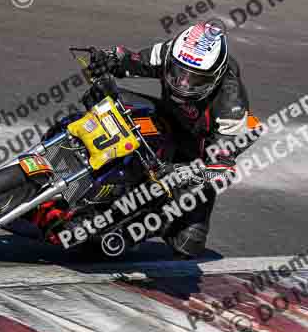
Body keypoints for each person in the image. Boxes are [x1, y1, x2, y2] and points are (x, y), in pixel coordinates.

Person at [98, 20, 253, 258]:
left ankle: (137, 224)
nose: (183, 83)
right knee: (107, 95)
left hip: (195, 153)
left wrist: (188, 172)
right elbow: (133, 61)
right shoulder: (171, 52)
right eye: (179, 72)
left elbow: (222, 169)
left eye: (195, 80)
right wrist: (110, 58)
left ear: (216, 76)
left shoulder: (231, 104)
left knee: (189, 242)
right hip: (166, 120)